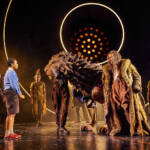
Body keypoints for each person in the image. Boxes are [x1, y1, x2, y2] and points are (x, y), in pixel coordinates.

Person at [101, 50, 150, 136]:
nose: (110, 59)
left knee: (128, 107)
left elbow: (137, 76)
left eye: (111, 57)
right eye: (108, 58)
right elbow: (104, 81)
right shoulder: (107, 69)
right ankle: (120, 128)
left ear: (117, 56)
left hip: (125, 89)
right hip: (114, 91)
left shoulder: (126, 65)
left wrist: (136, 86)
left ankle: (134, 128)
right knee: (116, 110)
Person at [3, 58, 25, 139]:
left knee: (10, 114)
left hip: (8, 93)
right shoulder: (11, 72)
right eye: (16, 63)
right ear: (12, 64)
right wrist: (19, 94)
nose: (17, 64)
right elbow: (13, 85)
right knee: (12, 114)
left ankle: (8, 133)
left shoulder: (8, 72)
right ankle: (10, 133)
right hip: (12, 93)